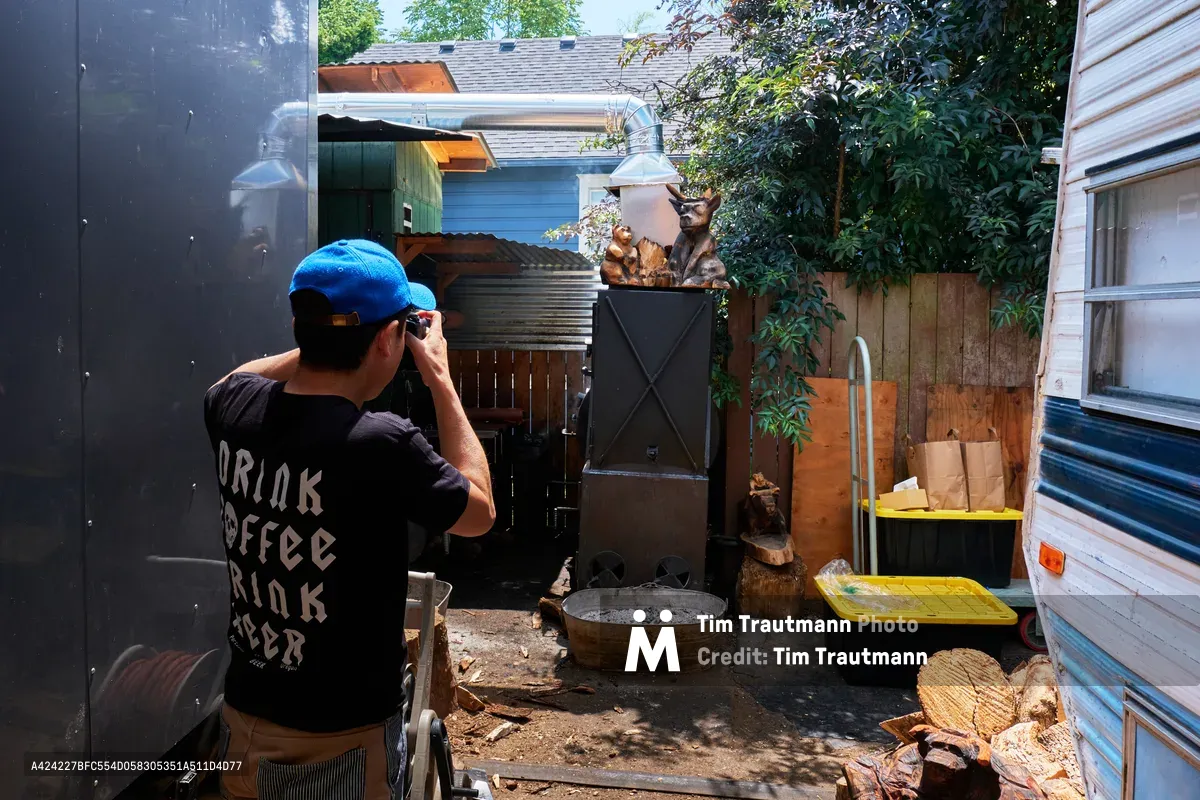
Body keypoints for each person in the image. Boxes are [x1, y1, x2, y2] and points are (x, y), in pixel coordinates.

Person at [203, 239, 495, 800]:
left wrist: (320, 342)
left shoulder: (235, 411)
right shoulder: (379, 442)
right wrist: (441, 380)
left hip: (243, 721)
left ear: (299, 326)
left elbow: (232, 378)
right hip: (344, 740)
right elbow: (479, 512)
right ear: (389, 339)